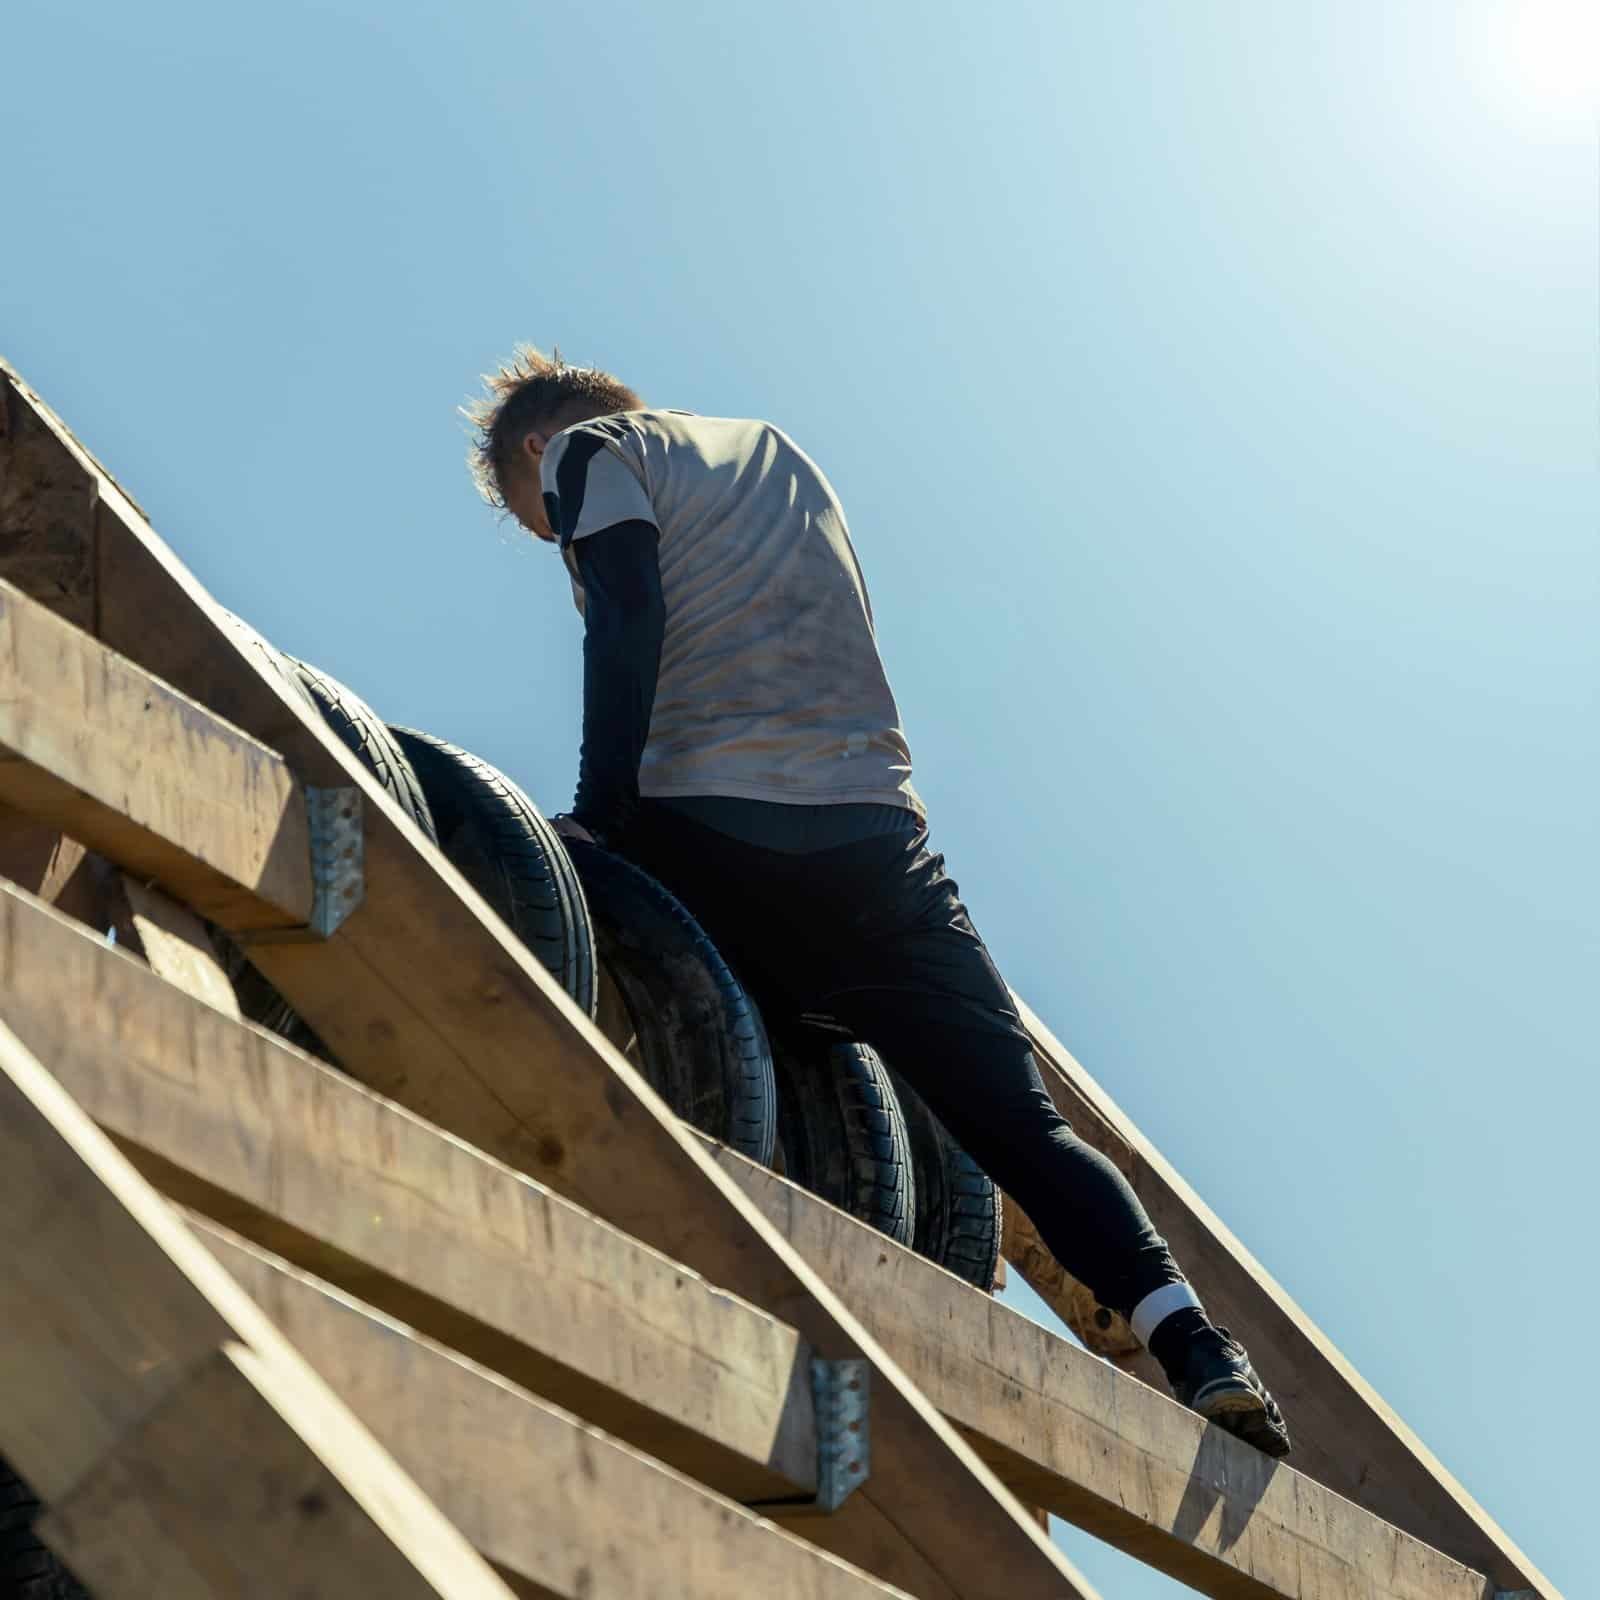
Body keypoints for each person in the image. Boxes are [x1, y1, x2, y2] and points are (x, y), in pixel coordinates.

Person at [466, 345, 1291, 1457]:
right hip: (874, 842)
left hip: (709, 826)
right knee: (1021, 1126)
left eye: (538, 527)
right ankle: (1198, 1347)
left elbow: (625, 615)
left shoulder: (587, 450)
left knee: (564, 926)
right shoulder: (775, 456)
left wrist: (599, 815)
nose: (552, 542)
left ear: (534, 448)